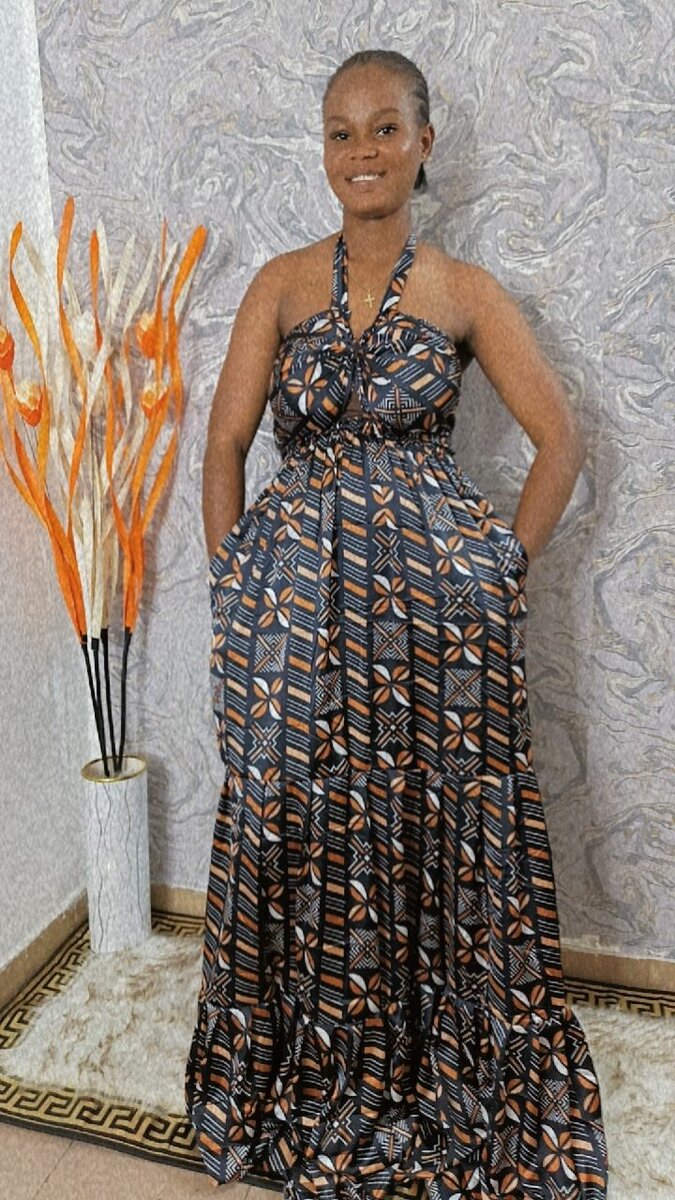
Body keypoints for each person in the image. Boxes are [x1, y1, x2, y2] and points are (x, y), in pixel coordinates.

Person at [185, 48, 609, 1200]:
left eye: (384, 128)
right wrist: (235, 586)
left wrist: (499, 571)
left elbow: (561, 440)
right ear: (322, 151)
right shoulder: (279, 285)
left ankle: (439, 1075)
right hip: (294, 616)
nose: (361, 150)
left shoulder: (465, 291)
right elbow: (223, 444)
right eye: (340, 131)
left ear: (425, 143)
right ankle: (303, 1074)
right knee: (289, 817)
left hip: (434, 627)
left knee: (432, 830)